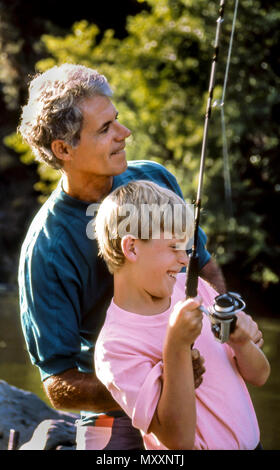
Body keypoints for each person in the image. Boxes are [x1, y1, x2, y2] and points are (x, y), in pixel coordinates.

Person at [18, 63, 225, 450]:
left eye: (117, 121)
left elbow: (203, 263)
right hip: (119, 410)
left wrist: (223, 332)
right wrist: (157, 388)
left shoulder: (155, 179)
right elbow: (59, 384)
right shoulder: (45, 251)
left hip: (205, 377)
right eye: (105, 129)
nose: (124, 134)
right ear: (64, 149)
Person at [94, 180, 270, 450]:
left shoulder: (194, 287)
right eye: (174, 247)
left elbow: (260, 376)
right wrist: (175, 346)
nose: (185, 259)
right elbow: (178, 443)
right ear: (132, 248)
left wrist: (242, 342)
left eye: (186, 248)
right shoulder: (115, 346)